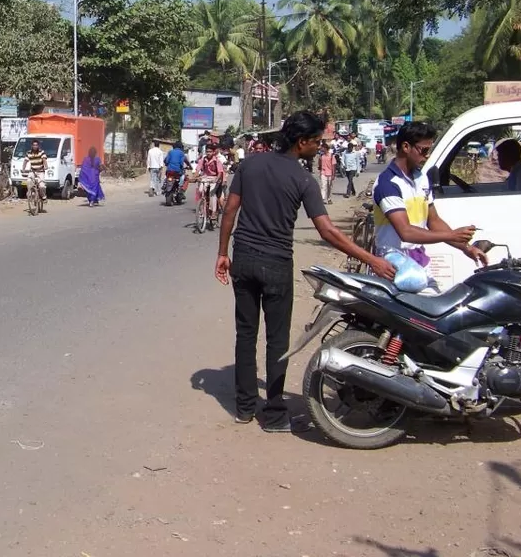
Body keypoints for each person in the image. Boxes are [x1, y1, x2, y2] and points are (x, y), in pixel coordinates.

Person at [215, 111, 396, 433]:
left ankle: (244, 408)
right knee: (277, 340)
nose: (319, 147)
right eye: (316, 142)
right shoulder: (302, 180)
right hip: (275, 264)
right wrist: (371, 259)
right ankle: (272, 414)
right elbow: (327, 231)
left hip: (243, 258)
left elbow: (230, 209)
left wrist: (221, 253)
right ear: (301, 142)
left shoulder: (251, 164)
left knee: (245, 334)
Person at [373, 122, 487, 289]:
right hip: (394, 263)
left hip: (418, 259)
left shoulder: (421, 179)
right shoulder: (388, 183)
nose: (427, 156)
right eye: (424, 150)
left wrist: (466, 248)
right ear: (406, 147)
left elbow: (433, 221)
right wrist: (451, 235)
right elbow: (406, 232)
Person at [195, 142, 226, 221]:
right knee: (200, 190)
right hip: (205, 177)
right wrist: (195, 176)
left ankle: (213, 211)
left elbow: (220, 172)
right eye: (207, 151)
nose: (208, 153)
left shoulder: (217, 160)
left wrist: (217, 179)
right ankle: (202, 207)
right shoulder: (203, 159)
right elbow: (198, 168)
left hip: (214, 178)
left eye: (210, 151)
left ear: (213, 152)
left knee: (212, 194)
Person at [22, 139, 48, 210]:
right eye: (34, 145)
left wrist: (46, 166)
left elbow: (44, 160)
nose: (35, 146)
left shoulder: (41, 152)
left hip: (40, 171)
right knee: (29, 181)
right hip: (32, 171)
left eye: (36, 145)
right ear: (32, 146)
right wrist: (23, 168)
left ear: (38, 146)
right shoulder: (28, 153)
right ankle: (30, 193)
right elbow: (25, 161)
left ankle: (43, 196)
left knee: (41, 185)